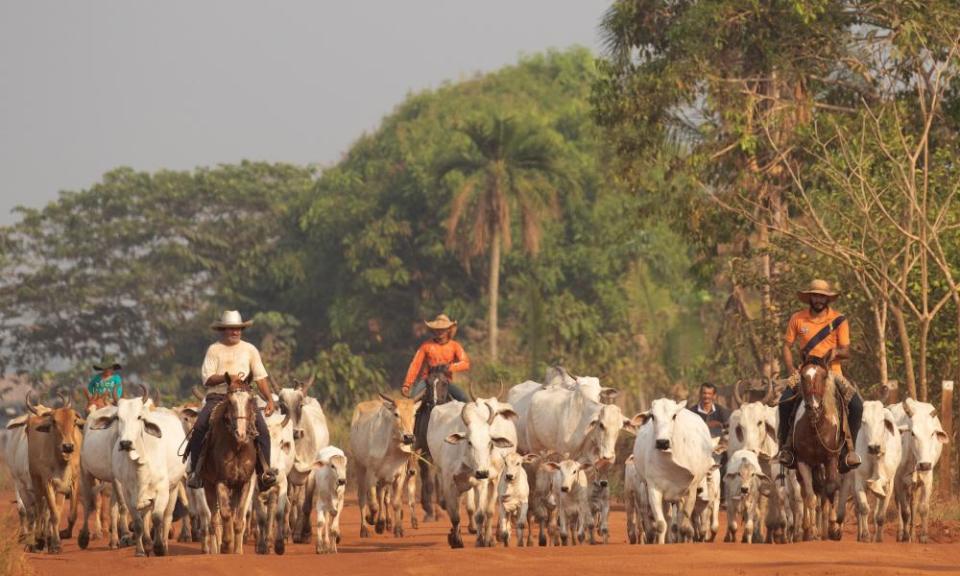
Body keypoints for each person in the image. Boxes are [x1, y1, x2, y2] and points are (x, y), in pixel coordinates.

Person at [185, 310, 277, 490]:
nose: (235, 332)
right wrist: (227, 377)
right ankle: (196, 472)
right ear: (223, 330)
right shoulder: (214, 349)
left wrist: (269, 400)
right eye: (231, 329)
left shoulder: (250, 349)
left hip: (244, 397)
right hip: (218, 396)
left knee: (263, 431)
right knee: (200, 426)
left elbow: (260, 377)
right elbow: (207, 379)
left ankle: (264, 472)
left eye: (238, 329)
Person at [777, 279, 862, 471]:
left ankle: (850, 451)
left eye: (822, 296)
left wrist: (835, 353)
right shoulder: (797, 318)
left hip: (832, 372)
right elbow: (786, 346)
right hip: (805, 372)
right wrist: (791, 370)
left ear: (828, 299)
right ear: (810, 297)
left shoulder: (839, 319)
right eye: (815, 295)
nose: (818, 299)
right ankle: (786, 449)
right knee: (784, 402)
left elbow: (846, 351)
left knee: (856, 406)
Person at [401, 314, 470, 401]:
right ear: (434, 330)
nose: (440, 332)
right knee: (412, 400)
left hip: (446, 381)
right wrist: (406, 384)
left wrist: (449, 367)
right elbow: (415, 365)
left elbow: (466, 363)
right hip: (427, 380)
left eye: (443, 329)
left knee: (464, 398)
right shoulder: (426, 345)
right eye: (437, 329)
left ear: (448, 330)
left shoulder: (455, 346)